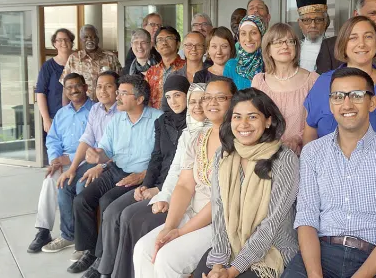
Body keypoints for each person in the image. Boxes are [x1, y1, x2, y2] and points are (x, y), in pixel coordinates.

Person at [283, 67, 376, 278]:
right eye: (338, 96)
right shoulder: (313, 152)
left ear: (372, 102)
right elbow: (307, 218)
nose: (346, 104)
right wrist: (315, 275)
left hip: (374, 259)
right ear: (330, 104)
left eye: (356, 96)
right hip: (320, 255)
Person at [80, 75, 191, 278]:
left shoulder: (192, 124)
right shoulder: (163, 121)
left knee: (123, 214)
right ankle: (105, 266)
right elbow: (157, 158)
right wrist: (146, 186)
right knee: (107, 207)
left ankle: (114, 269)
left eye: (178, 95)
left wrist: (153, 186)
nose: (173, 100)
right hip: (149, 180)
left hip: (171, 186)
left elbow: (180, 169)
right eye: (169, 96)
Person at [133, 78, 237, 278]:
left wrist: (179, 233)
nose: (211, 103)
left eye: (221, 97)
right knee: (143, 249)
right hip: (192, 212)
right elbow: (184, 185)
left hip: (220, 223)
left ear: (234, 101)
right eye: (207, 98)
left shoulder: (237, 141)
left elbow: (221, 201)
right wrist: (170, 227)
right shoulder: (198, 138)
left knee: (167, 259)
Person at [194, 87, 300, 278]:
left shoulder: (285, 159)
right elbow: (218, 209)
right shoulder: (224, 154)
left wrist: (233, 270)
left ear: (268, 121)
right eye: (237, 117)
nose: (243, 124)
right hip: (232, 247)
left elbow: (272, 223)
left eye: (252, 117)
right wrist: (219, 263)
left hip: (272, 250)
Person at [111, 83, 210, 278]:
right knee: (142, 248)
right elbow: (177, 175)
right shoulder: (188, 134)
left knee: (161, 253)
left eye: (203, 100)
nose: (197, 106)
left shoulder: (225, 137)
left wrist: (161, 196)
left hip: (208, 214)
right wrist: (163, 197)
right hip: (187, 204)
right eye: (193, 101)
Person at [67, 75, 162, 274]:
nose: (117, 97)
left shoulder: (157, 119)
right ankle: (91, 251)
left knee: (107, 202)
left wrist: (144, 175)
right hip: (115, 169)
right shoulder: (117, 119)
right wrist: (97, 156)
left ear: (139, 99)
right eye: (118, 92)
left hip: (140, 175)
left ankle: (103, 259)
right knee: (81, 200)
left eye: (123, 93)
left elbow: (163, 157)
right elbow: (106, 151)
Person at [303, 16, 376, 147]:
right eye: (353, 37)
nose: (361, 44)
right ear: (344, 44)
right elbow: (310, 133)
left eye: (368, 37)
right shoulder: (323, 83)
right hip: (329, 166)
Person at [50, 71, 120, 261]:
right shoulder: (96, 109)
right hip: (92, 160)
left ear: (118, 90)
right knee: (65, 183)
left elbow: (123, 150)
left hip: (112, 163)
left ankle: (87, 245)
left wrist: (101, 166)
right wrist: (72, 168)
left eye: (108, 86)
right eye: (99, 86)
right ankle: (69, 235)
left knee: (83, 186)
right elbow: (87, 139)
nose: (103, 90)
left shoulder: (122, 111)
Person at [27, 73, 93, 253]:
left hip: (86, 161)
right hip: (62, 160)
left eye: (77, 86)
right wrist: (55, 159)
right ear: (65, 91)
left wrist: (71, 159)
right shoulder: (62, 114)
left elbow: (99, 143)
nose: (74, 90)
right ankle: (43, 230)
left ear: (85, 87)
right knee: (49, 181)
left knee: (68, 183)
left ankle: (74, 234)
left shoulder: (95, 110)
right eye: (69, 87)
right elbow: (53, 139)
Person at [252, 23, 319, 155]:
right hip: (266, 155)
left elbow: (316, 121)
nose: (285, 46)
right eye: (278, 42)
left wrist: (296, 139)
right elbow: (254, 119)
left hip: (302, 154)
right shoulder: (259, 81)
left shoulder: (313, 80)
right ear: (268, 50)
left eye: (290, 41)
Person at [60, 24, 122, 101]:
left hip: (106, 107)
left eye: (93, 37)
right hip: (82, 108)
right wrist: (66, 110)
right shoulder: (73, 58)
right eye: (86, 37)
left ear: (98, 39)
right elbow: (65, 86)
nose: (89, 39)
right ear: (81, 40)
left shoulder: (110, 57)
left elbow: (121, 84)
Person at [36, 29, 75, 136]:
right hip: (55, 117)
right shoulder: (48, 66)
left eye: (67, 39)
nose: (63, 42)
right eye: (60, 40)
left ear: (72, 43)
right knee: (56, 149)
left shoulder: (78, 64)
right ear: (54, 44)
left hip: (77, 116)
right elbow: (40, 93)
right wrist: (46, 118)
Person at [145, 26, 185, 109]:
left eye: (169, 38)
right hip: (156, 119)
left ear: (178, 44)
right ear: (156, 47)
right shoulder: (151, 72)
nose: (164, 43)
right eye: (160, 40)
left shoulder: (186, 67)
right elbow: (146, 99)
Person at [224, 15, 266, 90]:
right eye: (243, 33)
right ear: (239, 38)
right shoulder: (231, 66)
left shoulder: (270, 64)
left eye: (253, 33)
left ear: (262, 35)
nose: (248, 39)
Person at [296, 0, 330, 72]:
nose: (313, 25)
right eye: (307, 20)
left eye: (318, 20)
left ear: (325, 22)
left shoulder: (335, 48)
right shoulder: (293, 49)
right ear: (300, 23)